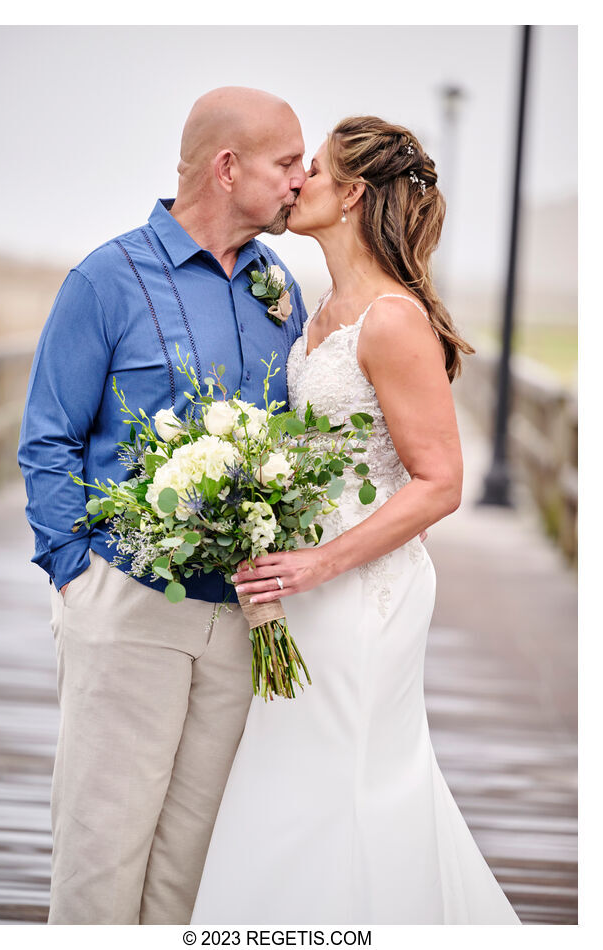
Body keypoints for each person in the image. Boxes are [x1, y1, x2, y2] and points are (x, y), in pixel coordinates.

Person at [191, 117, 522, 924]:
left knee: (340, 779)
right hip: (299, 585)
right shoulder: (319, 311)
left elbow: (441, 482)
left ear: (354, 196)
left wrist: (321, 564)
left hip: (361, 589)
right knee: (290, 777)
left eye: (315, 169)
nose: (297, 180)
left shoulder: (392, 319)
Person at [17, 86, 308, 924]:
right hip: (127, 603)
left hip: (237, 627)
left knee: (188, 873)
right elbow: (47, 438)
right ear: (228, 167)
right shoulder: (105, 280)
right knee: (100, 857)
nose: (301, 179)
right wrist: (77, 576)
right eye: (286, 162)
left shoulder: (276, 284)